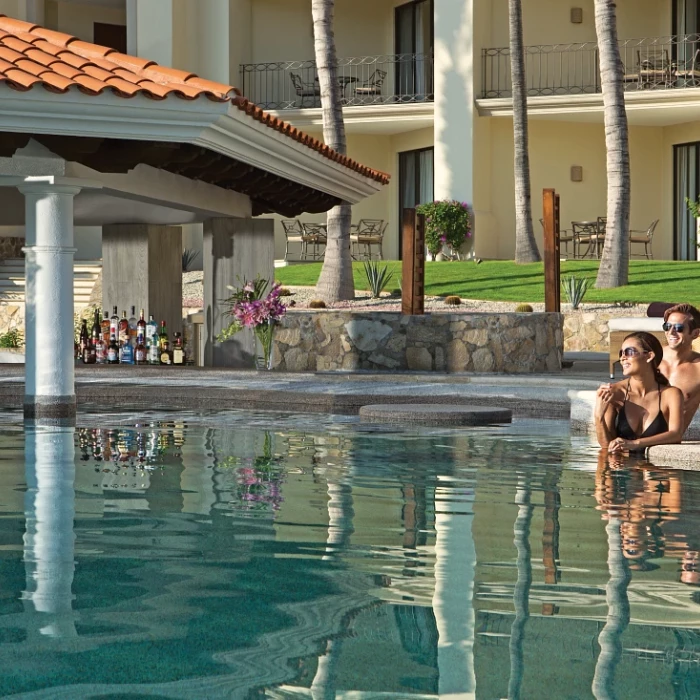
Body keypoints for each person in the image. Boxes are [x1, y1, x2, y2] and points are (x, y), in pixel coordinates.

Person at [595, 331, 683, 453]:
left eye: (629, 352)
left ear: (649, 356)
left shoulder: (671, 394)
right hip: (621, 469)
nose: (622, 358)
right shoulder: (615, 393)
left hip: (656, 470)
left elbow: (676, 435)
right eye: (621, 353)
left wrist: (635, 443)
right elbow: (606, 446)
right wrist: (598, 417)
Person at [659, 303, 700, 432]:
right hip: (631, 437)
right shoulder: (650, 359)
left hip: (667, 442)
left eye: (679, 328)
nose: (671, 332)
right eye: (667, 326)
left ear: (695, 333)